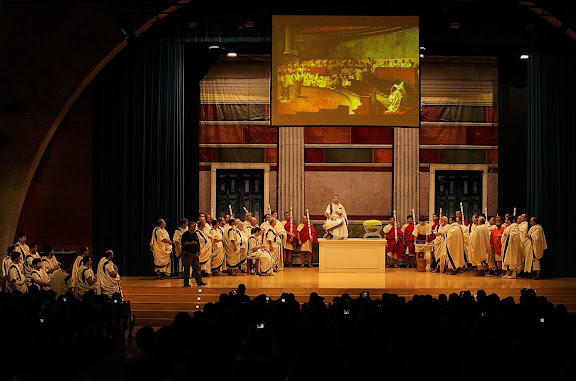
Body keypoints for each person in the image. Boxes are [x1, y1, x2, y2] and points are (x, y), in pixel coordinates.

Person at [180, 222, 206, 287]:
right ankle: (186, 283)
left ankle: (199, 282)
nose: (194, 228)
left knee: (196, 268)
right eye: (192, 227)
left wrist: (199, 250)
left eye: (194, 227)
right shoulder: (185, 234)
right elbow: (183, 243)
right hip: (187, 253)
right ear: (189, 227)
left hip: (195, 253)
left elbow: (198, 243)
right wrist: (191, 243)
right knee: (187, 269)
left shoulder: (195, 234)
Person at [501, 215, 521, 279]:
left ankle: (513, 274)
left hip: (512, 246)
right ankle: (508, 273)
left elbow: (515, 236)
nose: (505, 221)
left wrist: (507, 235)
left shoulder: (514, 226)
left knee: (512, 259)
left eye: (506, 219)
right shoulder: (509, 227)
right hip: (507, 245)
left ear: (509, 220)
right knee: (507, 259)